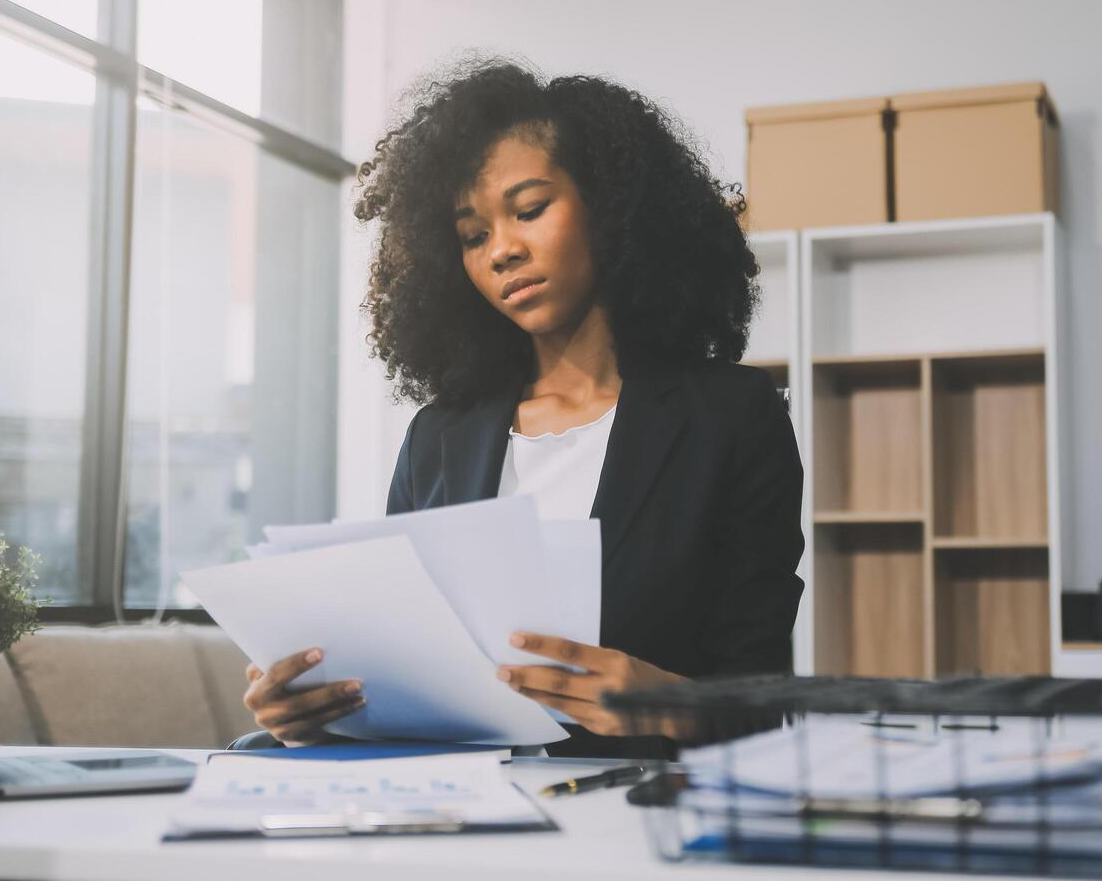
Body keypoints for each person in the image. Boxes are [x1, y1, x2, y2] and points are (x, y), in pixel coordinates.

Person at [239, 57, 804, 756]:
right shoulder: (438, 437)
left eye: (529, 210)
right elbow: (407, 661)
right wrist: (312, 709)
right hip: (456, 804)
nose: (502, 250)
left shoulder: (732, 418)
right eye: (473, 236)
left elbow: (761, 694)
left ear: (613, 205)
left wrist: (669, 705)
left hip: (628, 808)